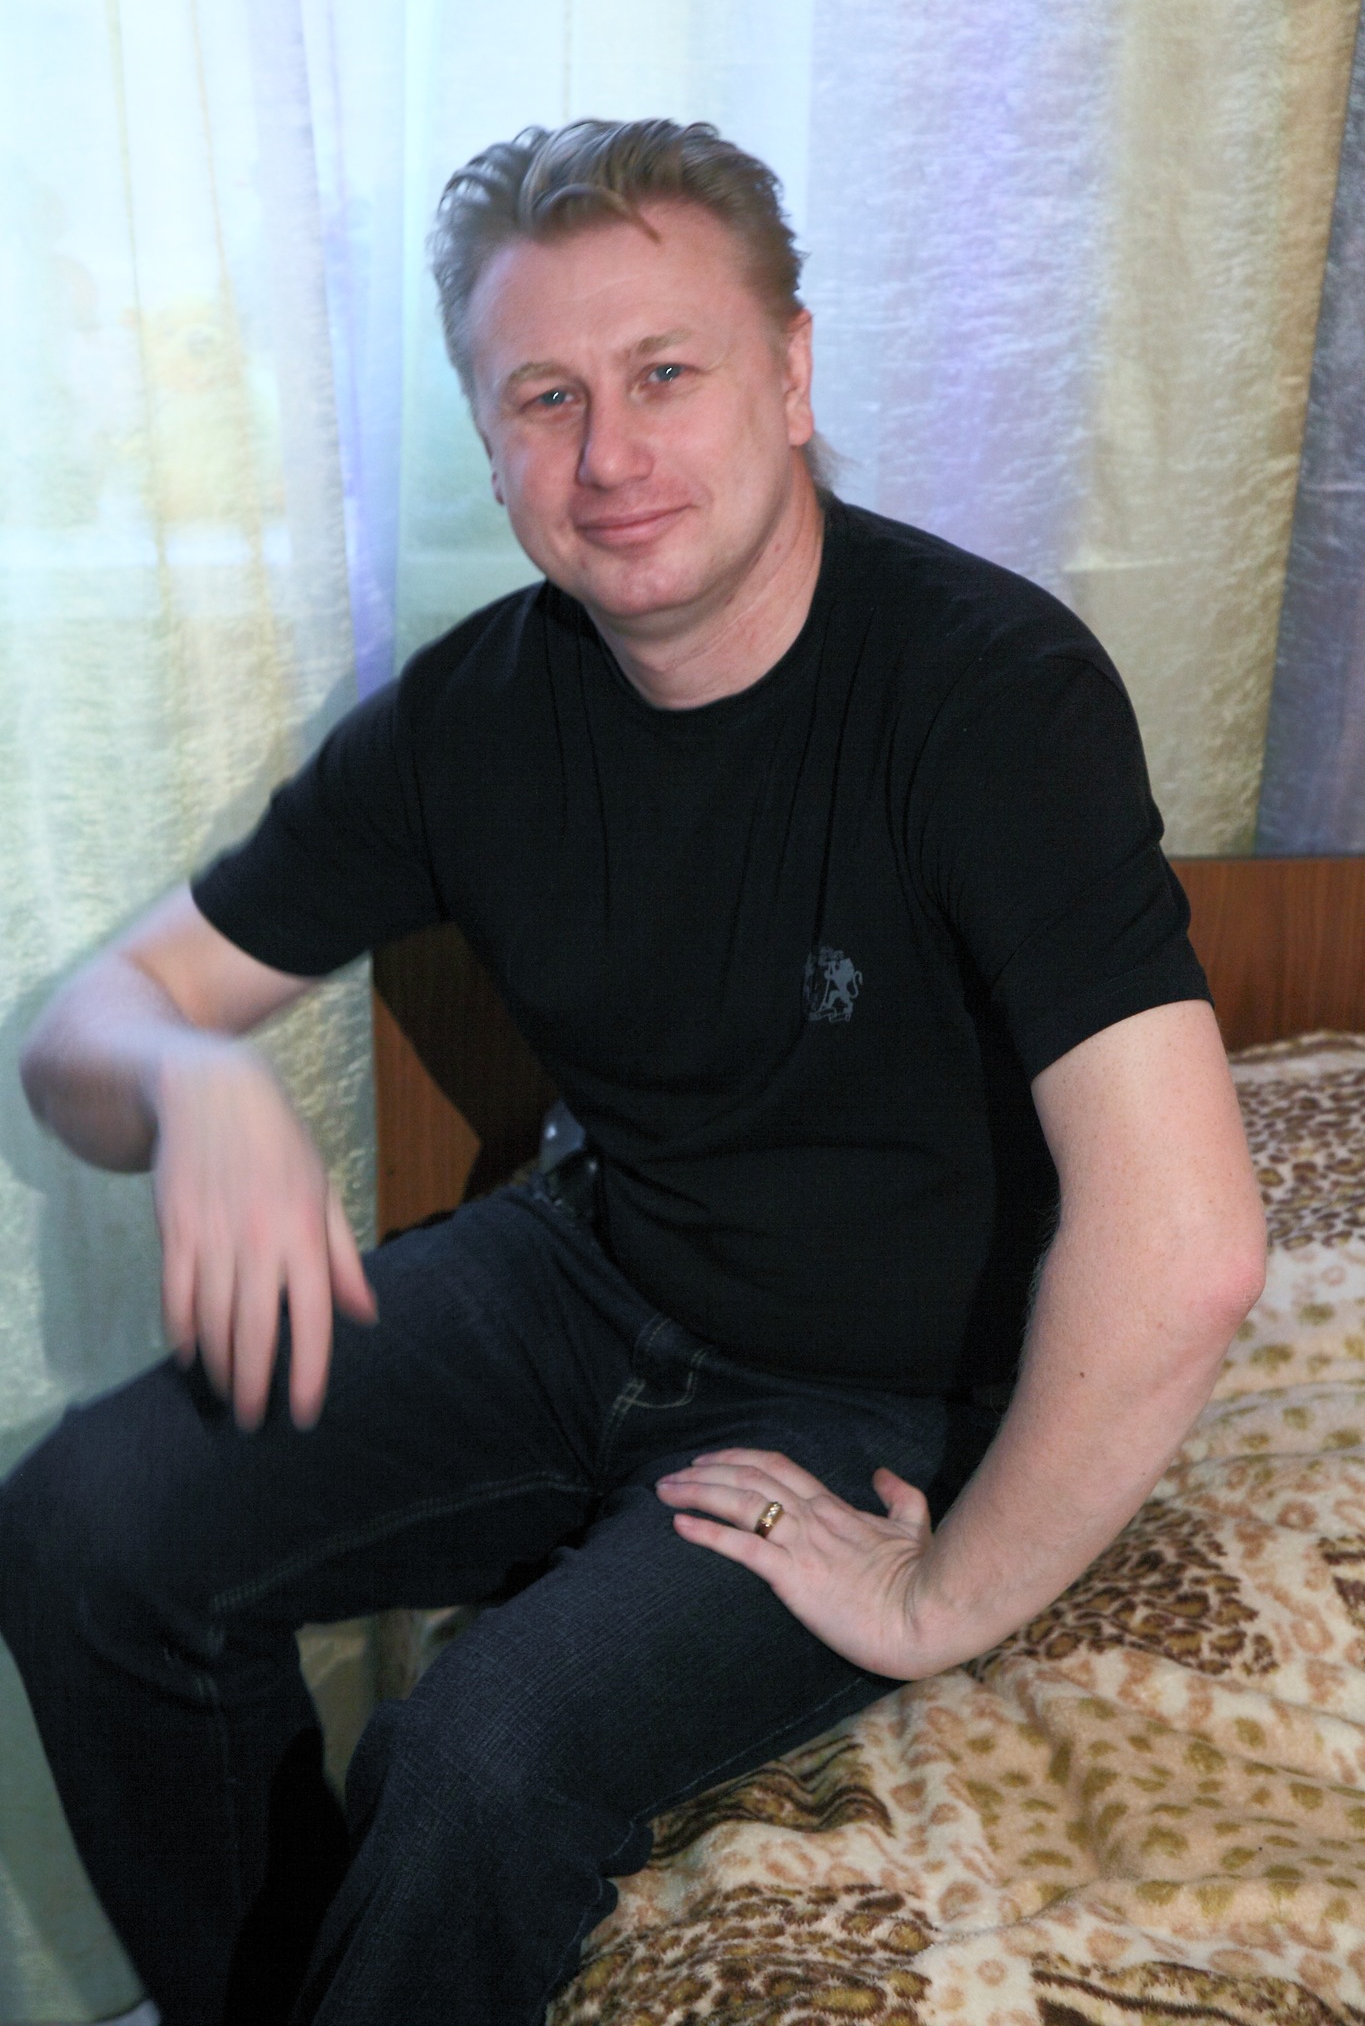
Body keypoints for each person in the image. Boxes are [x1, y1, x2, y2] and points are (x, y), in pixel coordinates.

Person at [0, 119, 1265, 2026]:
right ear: (490, 435)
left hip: (881, 1392)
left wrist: (937, 1600)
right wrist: (192, 1080)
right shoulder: (475, 716)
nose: (607, 455)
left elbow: (1186, 1245)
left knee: (474, 1761)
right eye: (545, 397)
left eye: (664, 371)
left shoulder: (986, 696)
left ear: (790, 375)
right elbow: (86, 1033)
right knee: (85, 1533)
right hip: (591, 1278)